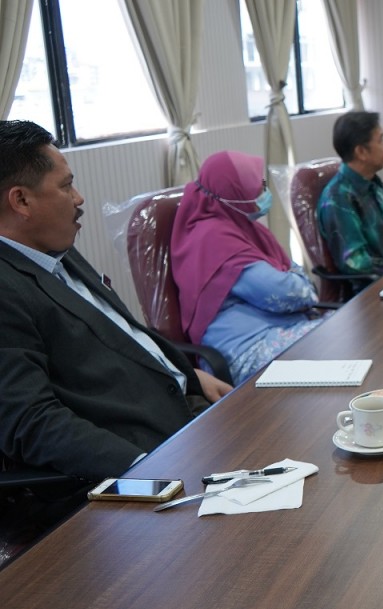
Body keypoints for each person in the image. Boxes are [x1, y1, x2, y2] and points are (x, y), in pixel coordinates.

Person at [0, 120, 230, 481]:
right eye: (66, 186)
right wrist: (144, 469)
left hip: (186, 411)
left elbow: (121, 334)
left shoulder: (54, 249)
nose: (79, 198)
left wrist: (187, 375)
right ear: (21, 200)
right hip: (146, 457)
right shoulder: (7, 289)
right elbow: (30, 422)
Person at [171, 151, 328, 385]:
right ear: (233, 192)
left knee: (346, 333)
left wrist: (295, 280)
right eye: (257, 186)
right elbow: (288, 293)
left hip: (279, 328)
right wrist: (296, 279)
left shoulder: (242, 226)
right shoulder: (213, 238)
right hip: (245, 349)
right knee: (340, 343)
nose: (263, 191)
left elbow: (293, 283)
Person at [318, 111, 383, 291]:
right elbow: (356, 263)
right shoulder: (338, 198)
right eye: (380, 140)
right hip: (377, 290)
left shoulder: (374, 184)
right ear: (361, 152)